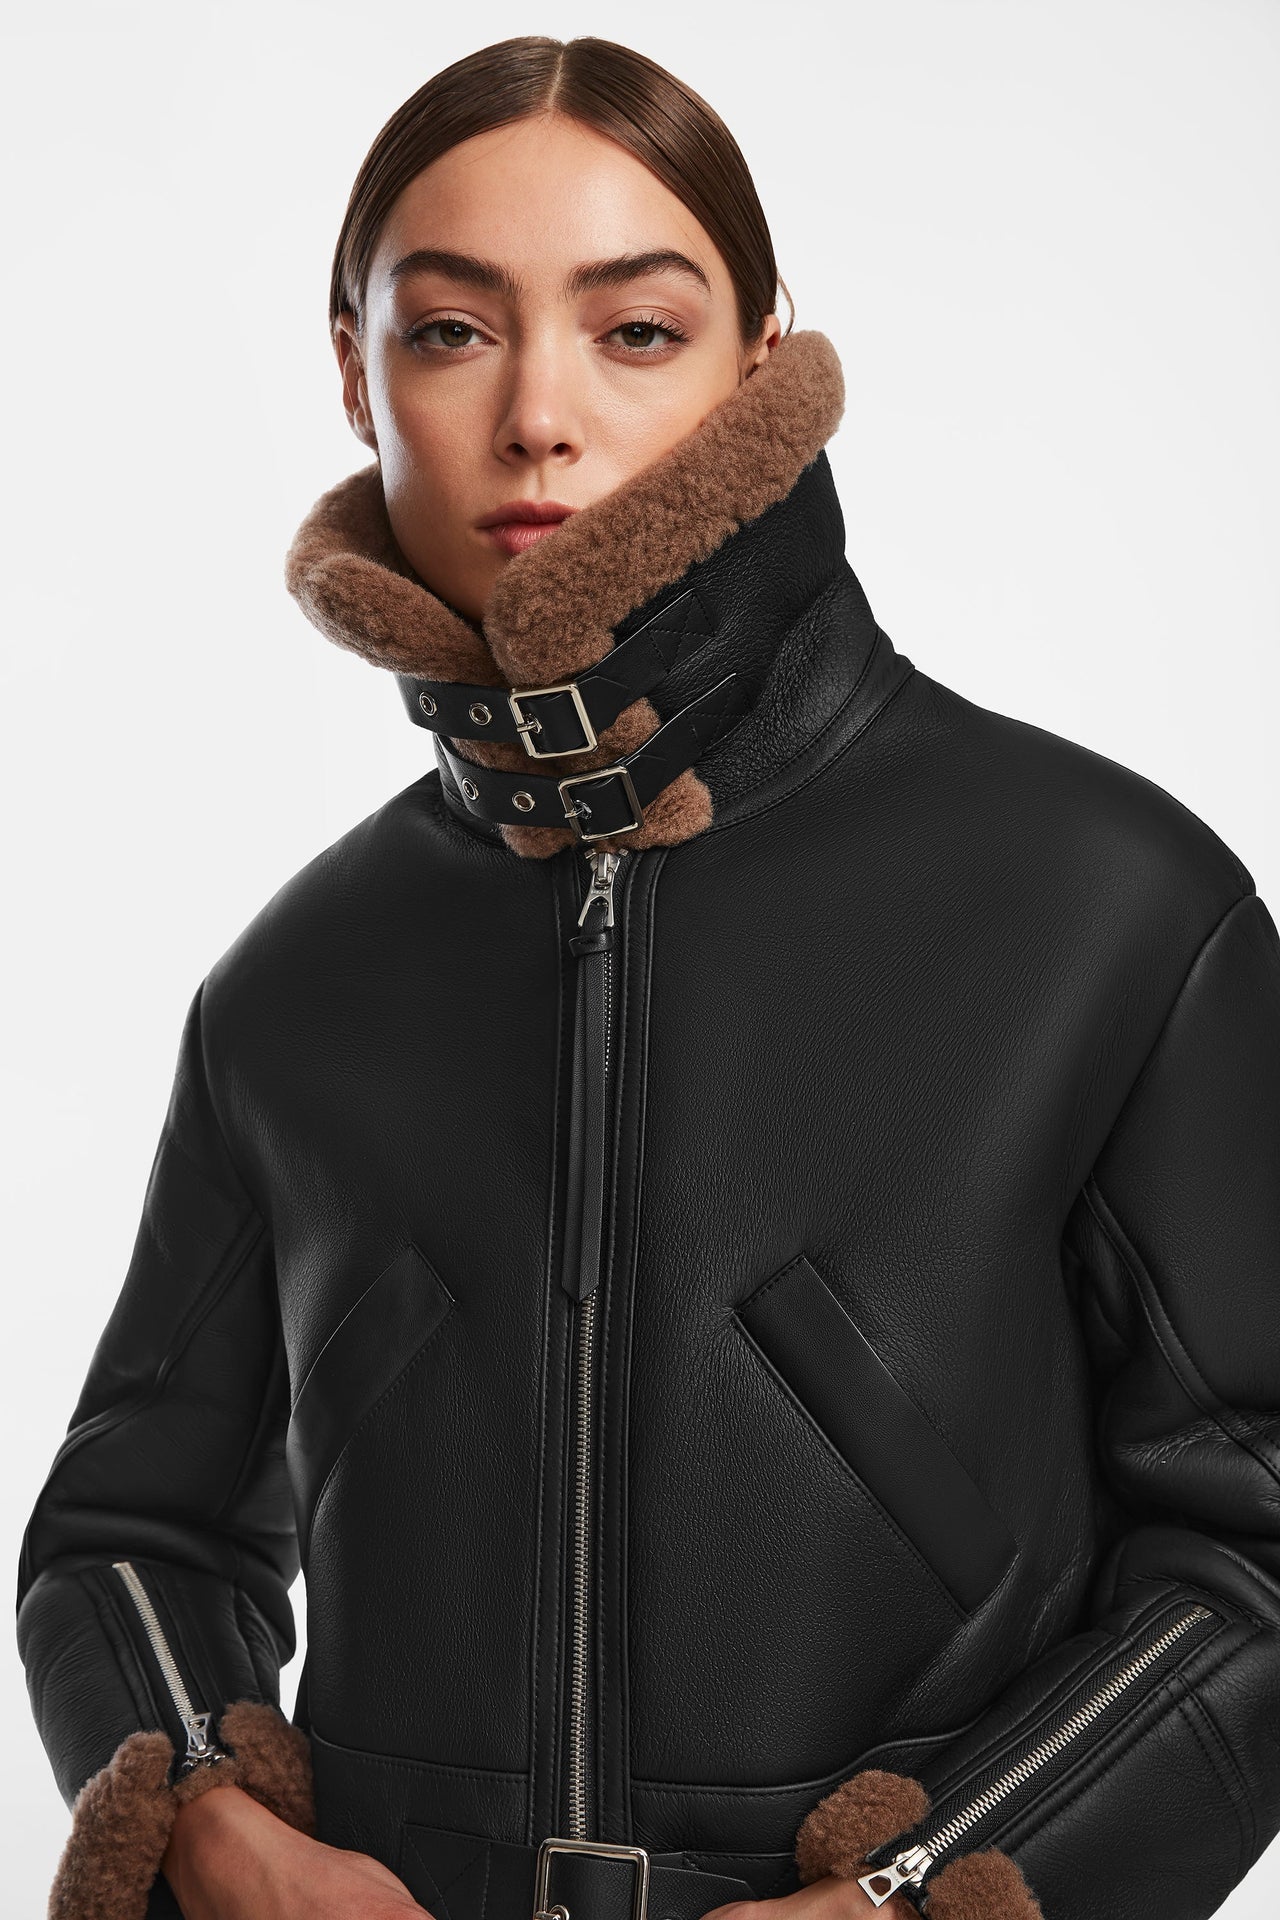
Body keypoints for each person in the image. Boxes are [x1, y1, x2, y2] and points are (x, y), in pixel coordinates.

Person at [16, 32, 1280, 1920]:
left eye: (635, 330)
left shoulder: (1112, 909)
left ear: (760, 362)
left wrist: (920, 1890)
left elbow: (1260, 1548)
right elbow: (130, 1528)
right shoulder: (299, 983)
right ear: (354, 370)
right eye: (454, 330)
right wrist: (207, 1809)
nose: (538, 413)